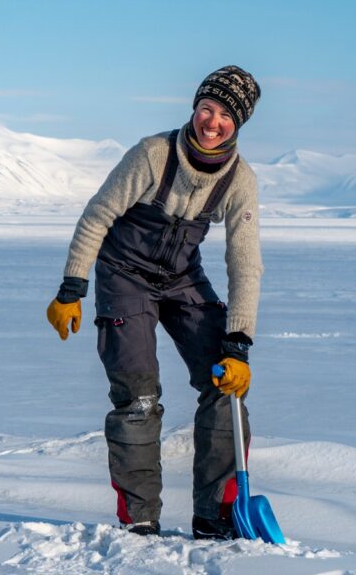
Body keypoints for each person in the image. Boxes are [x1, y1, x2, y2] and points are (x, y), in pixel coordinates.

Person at [46, 65, 263, 539]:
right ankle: (139, 517)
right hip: (124, 276)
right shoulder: (153, 154)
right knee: (138, 397)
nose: (213, 120)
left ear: (238, 124)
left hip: (182, 277)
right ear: (194, 107)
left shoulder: (239, 180)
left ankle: (215, 513)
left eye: (226, 113)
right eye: (208, 107)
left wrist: (238, 342)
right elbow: (97, 215)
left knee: (227, 386)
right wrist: (72, 288)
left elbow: (245, 262)